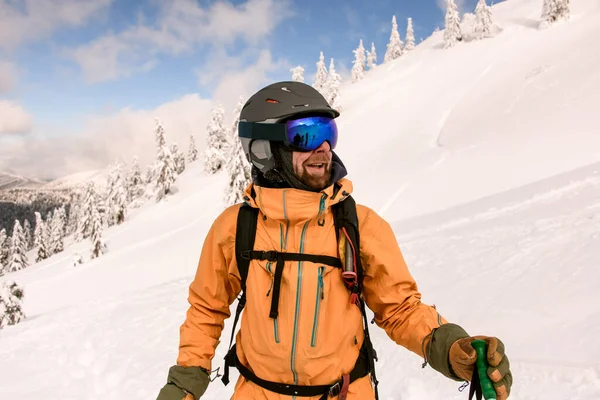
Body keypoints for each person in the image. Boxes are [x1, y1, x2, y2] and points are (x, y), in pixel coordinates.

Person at [156, 81, 513, 400]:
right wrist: (187, 380)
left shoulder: (359, 225)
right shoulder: (236, 227)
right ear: (264, 148)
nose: (324, 148)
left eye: (328, 133)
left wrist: (449, 347)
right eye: (306, 135)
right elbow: (207, 308)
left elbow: (400, 308)